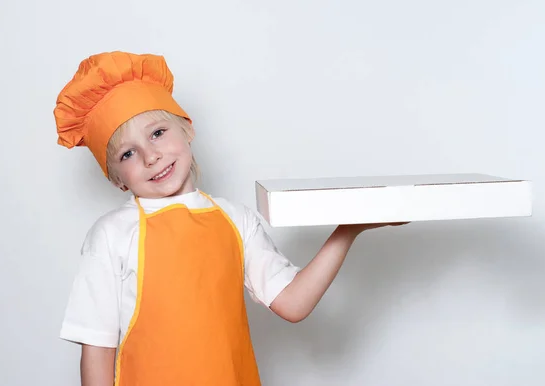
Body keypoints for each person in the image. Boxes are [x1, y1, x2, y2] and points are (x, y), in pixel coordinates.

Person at [54, 51, 406, 386]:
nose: (151, 156)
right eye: (128, 153)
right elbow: (97, 347)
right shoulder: (111, 234)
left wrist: (348, 229)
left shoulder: (236, 220)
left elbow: (294, 303)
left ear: (187, 129)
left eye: (158, 133)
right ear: (116, 178)